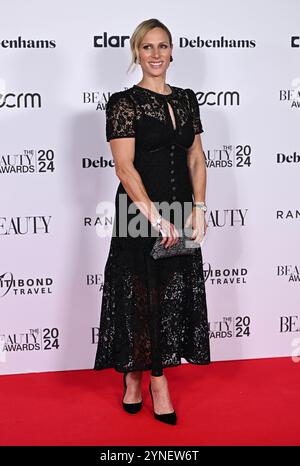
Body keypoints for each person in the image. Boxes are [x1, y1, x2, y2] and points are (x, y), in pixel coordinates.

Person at [94, 18, 210, 425]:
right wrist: (156, 218)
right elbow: (124, 168)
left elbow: (196, 156)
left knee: (172, 296)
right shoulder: (123, 102)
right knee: (139, 297)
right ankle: (147, 380)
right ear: (136, 53)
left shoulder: (187, 99)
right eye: (147, 47)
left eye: (162, 46)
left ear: (172, 51)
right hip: (139, 212)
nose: (156, 54)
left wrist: (199, 206)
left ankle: (142, 373)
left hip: (180, 209)